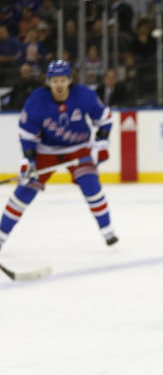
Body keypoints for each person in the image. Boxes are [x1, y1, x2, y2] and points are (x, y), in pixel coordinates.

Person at [0, 60, 117, 252]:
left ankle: (108, 232)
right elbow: (27, 135)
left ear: (70, 80)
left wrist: (101, 143)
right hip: (45, 150)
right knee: (23, 193)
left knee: (91, 185)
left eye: (63, 80)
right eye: (55, 81)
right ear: (48, 82)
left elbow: (105, 120)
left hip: (78, 148)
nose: (59, 85)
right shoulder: (36, 100)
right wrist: (28, 160)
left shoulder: (85, 96)